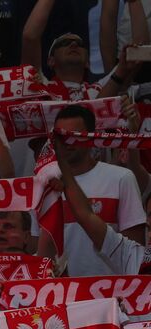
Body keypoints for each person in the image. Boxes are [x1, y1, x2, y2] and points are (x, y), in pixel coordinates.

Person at [36, 104, 146, 277]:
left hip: (111, 296)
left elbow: (133, 252)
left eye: (73, 136)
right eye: (61, 136)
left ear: (90, 137)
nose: (67, 143)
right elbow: (34, 249)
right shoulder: (42, 184)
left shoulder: (121, 178)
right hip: (60, 294)